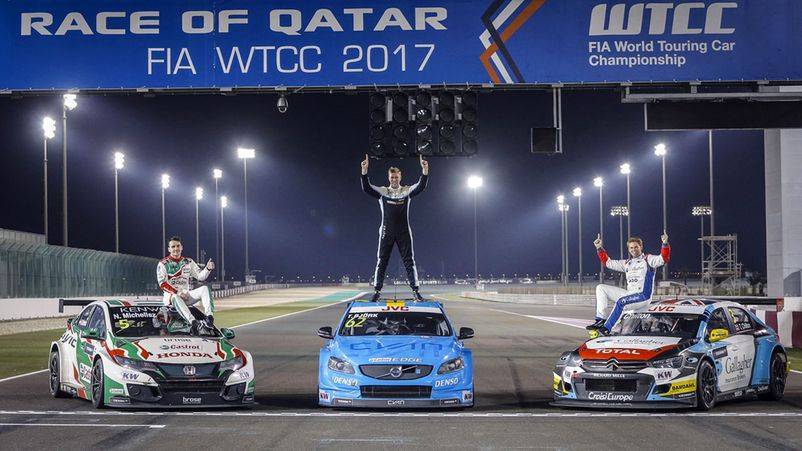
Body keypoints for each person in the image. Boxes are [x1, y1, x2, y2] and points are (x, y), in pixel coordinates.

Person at [361, 154, 429, 302]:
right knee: (382, 261)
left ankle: (416, 291)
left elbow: (421, 186)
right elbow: (367, 188)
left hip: (404, 231)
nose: (394, 179)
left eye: (396, 177)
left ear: (400, 177)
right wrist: (364, 172)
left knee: (409, 261)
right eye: (392, 177)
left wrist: (425, 171)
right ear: (389, 178)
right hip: (387, 231)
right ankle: (377, 291)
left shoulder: (406, 191)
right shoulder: (383, 192)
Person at [588, 232, 671, 335]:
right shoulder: (627, 263)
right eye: (631, 248)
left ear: (641, 247)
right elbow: (608, 263)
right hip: (629, 294)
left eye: (636, 247)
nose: (633, 249)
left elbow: (663, 258)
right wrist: (599, 248)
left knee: (621, 302)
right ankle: (600, 319)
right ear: (628, 249)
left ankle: (607, 328)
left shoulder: (648, 259)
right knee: (600, 288)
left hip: (643, 296)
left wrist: (665, 243)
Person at [156, 236, 216, 334]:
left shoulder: (189, 262)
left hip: (186, 296)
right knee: (175, 296)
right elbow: (162, 284)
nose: (176, 248)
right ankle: (193, 322)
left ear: (182, 247)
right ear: (169, 249)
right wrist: (178, 293)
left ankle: (209, 318)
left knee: (205, 289)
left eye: (178, 246)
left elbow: (200, 277)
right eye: (173, 246)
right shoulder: (162, 264)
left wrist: (208, 269)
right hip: (171, 298)